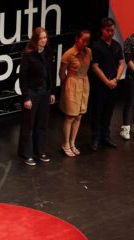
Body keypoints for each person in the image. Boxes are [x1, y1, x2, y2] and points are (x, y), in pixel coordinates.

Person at [18, 27, 56, 166]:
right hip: (32, 92)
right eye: (41, 38)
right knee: (28, 125)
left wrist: (51, 91)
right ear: (35, 39)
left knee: (42, 124)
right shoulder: (28, 54)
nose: (44, 40)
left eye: (45, 37)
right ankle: (26, 154)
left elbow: (50, 73)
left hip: (45, 92)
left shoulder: (48, 52)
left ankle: (40, 151)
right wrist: (26, 97)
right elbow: (23, 77)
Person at [89, 18, 125, 151]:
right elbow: (95, 67)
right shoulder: (96, 46)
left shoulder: (116, 45)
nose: (111, 32)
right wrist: (107, 81)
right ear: (102, 30)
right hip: (100, 85)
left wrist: (116, 79)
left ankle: (105, 136)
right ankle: (95, 138)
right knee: (97, 112)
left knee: (109, 111)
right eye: (108, 30)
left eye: (112, 30)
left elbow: (121, 63)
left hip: (113, 84)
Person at [59, 30, 92, 157]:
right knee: (70, 116)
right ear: (77, 38)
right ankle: (65, 143)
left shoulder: (89, 52)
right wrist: (65, 84)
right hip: (72, 83)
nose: (85, 43)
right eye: (83, 40)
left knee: (79, 115)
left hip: (84, 83)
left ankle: (72, 142)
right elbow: (61, 73)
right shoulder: (69, 54)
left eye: (87, 41)